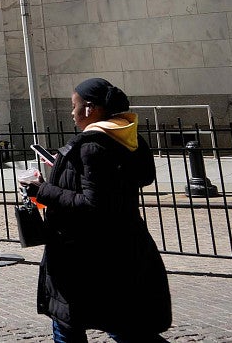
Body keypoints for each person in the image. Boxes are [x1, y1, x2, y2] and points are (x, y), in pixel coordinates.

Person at [24, 78, 172, 343]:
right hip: (118, 250)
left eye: (74, 105)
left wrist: (41, 189)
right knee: (122, 324)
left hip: (84, 255)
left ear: (90, 109)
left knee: (74, 323)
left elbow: (95, 204)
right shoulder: (125, 138)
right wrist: (67, 167)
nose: (72, 112)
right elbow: (108, 188)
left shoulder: (93, 146)